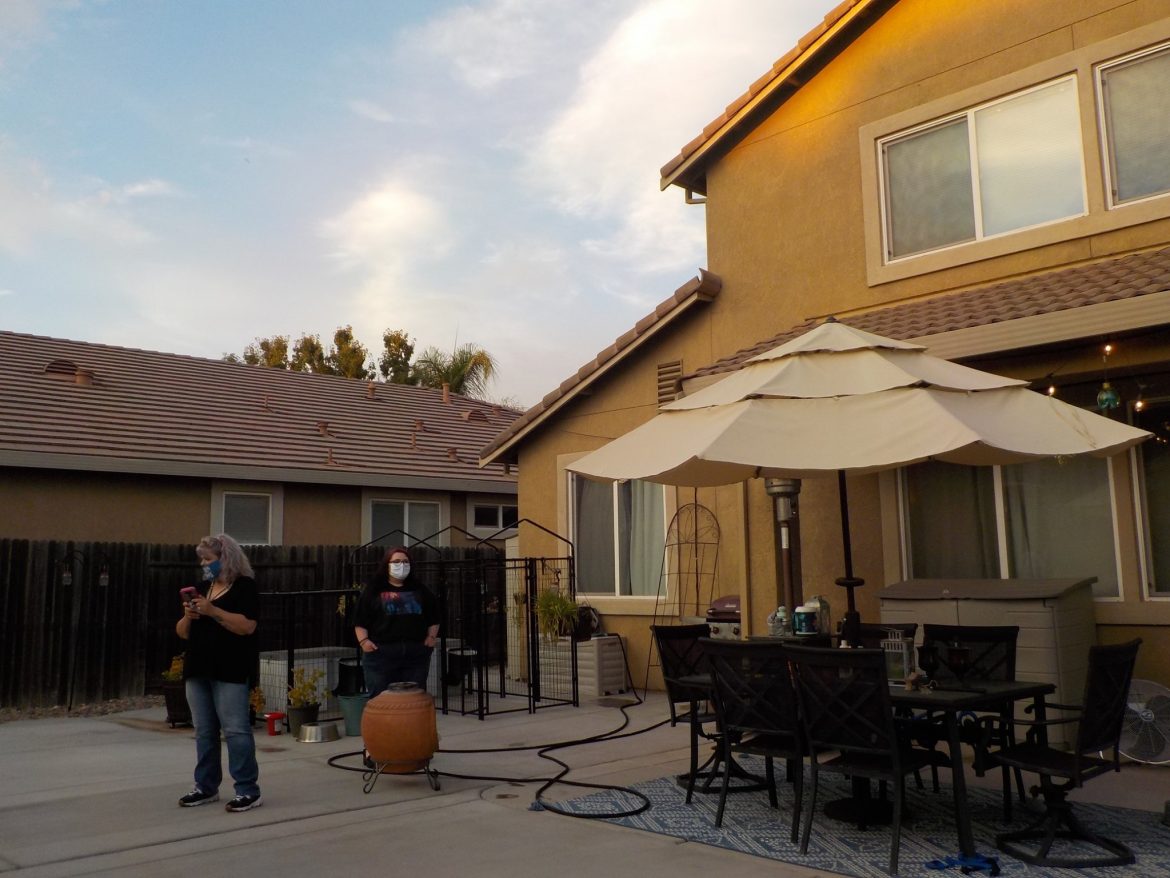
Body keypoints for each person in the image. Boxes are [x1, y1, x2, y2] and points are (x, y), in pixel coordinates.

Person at [175, 534, 262, 812]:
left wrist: (213, 610)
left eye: (208, 559)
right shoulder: (202, 588)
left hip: (230, 667)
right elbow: (181, 633)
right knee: (203, 731)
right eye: (202, 559)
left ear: (226, 559)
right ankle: (205, 786)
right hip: (198, 667)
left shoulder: (245, 588)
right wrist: (188, 616)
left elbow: (247, 627)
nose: (203, 564)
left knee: (235, 730)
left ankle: (247, 789)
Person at [354, 546, 440, 698]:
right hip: (381, 653)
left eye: (405, 562)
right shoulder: (373, 590)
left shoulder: (420, 589)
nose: (401, 565)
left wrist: (431, 637)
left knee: (413, 699)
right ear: (387, 565)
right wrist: (364, 641)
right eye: (397, 562)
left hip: (415, 653)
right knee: (381, 699)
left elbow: (434, 616)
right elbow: (360, 619)